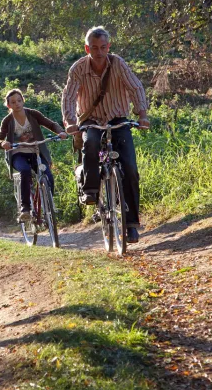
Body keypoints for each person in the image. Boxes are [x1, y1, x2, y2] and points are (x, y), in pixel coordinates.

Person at [61, 26, 150, 243]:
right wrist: (70, 121)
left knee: (129, 167)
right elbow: (69, 96)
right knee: (90, 142)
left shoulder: (118, 64)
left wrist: (142, 115)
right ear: (86, 48)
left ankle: (131, 225)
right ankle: (91, 189)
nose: (99, 52)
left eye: (103, 47)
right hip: (91, 120)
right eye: (94, 48)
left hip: (118, 119)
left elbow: (136, 87)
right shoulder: (79, 68)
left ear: (108, 47)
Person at [0, 89, 68, 223]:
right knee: (25, 171)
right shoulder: (7, 121)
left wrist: (61, 132)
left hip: (36, 151)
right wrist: (3, 143)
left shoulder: (33, 114)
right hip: (17, 154)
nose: (17, 104)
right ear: (8, 105)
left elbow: (50, 124)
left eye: (19, 100)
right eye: (13, 102)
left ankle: (48, 206)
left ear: (23, 100)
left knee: (48, 176)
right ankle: (25, 209)